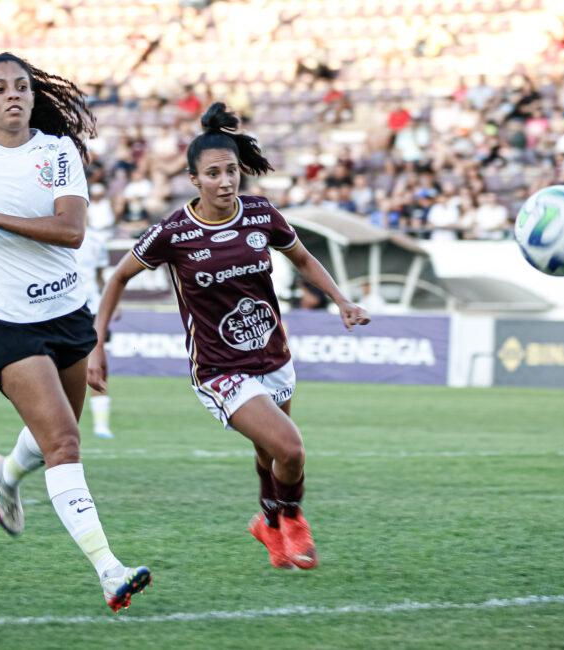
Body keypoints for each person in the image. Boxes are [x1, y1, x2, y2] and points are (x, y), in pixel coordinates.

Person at [88, 103, 370, 570]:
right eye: (213, 174)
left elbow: (301, 259)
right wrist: (98, 345)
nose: (225, 181)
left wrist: (342, 300)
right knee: (290, 449)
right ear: (194, 180)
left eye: (232, 171)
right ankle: (292, 518)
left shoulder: (260, 214)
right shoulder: (174, 232)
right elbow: (118, 277)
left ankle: (267, 525)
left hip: (274, 356)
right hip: (219, 370)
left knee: (268, 453)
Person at [0, 52, 149, 612]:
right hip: (6, 321)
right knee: (65, 443)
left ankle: (5, 472)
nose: (14, 95)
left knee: (58, 433)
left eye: (21, 86)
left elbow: (71, 232)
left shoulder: (58, 152)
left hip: (69, 314)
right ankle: (109, 570)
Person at [78, 184, 116, 439]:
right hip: (65, 309)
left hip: (91, 309)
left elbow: (103, 276)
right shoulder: (53, 235)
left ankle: (101, 425)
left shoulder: (95, 241)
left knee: (98, 366)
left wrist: (114, 304)